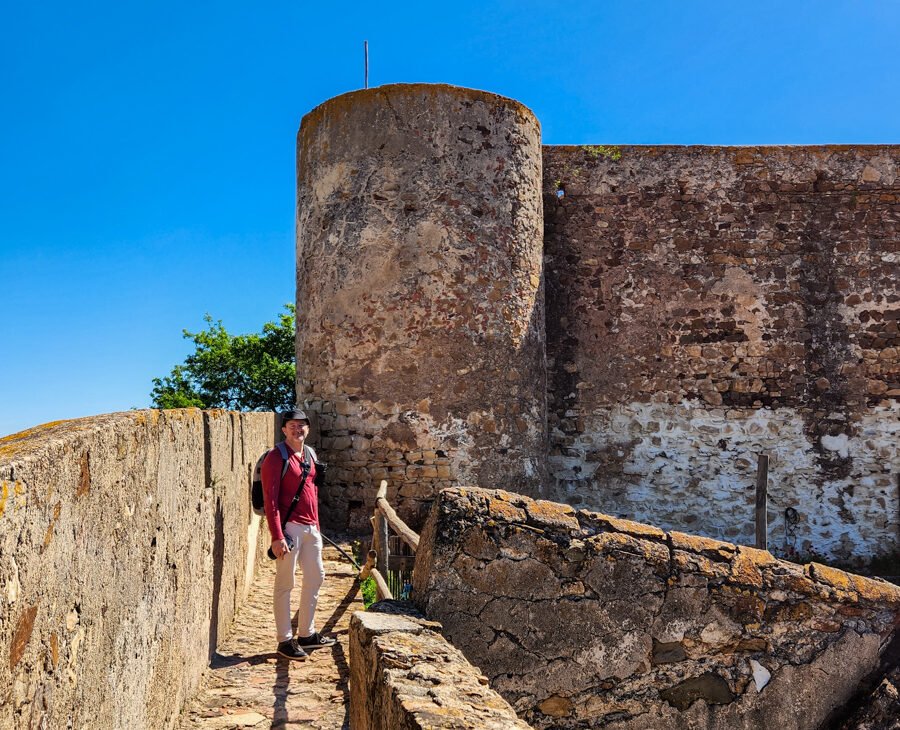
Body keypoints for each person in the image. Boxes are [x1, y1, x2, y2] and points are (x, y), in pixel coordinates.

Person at [262, 407, 336, 660]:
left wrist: (316, 525)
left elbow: (313, 493)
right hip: (289, 528)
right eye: (292, 425)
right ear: (284, 429)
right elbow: (270, 500)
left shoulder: (310, 454)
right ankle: (284, 640)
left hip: (311, 528)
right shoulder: (276, 457)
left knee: (316, 577)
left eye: (302, 424)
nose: (297, 428)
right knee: (285, 584)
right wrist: (276, 536)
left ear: (308, 428)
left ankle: (307, 633)